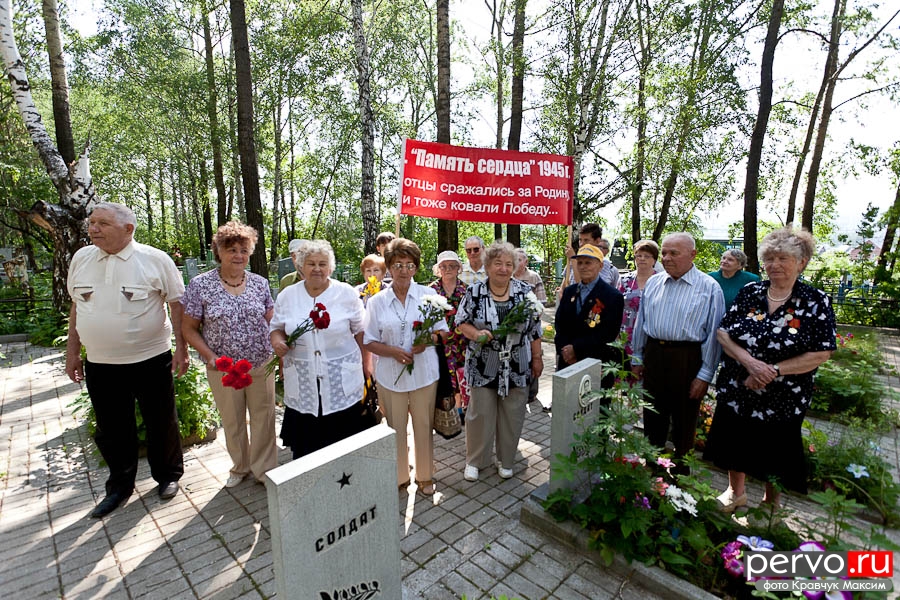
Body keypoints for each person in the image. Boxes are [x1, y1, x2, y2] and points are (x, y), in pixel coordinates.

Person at [65, 203, 186, 518]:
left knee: (161, 421)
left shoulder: (155, 259)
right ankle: (119, 488)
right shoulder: (81, 258)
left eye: (103, 223)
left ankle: (168, 476)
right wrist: (72, 352)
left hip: (150, 359)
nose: (93, 229)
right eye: (92, 222)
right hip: (100, 363)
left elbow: (177, 305)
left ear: (129, 229)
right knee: (112, 428)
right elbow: (76, 307)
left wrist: (182, 349)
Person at [704, 227, 836, 513]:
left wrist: (772, 371)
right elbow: (724, 333)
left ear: (801, 262)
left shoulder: (815, 301)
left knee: (777, 448)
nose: (774, 264)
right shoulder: (750, 292)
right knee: (735, 440)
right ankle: (735, 493)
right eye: (770, 258)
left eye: (783, 258)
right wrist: (751, 364)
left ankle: (770, 504)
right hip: (739, 385)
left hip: (785, 394)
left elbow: (822, 351)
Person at [181, 221, 278, 488]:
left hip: (260, 363)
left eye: (244, 250)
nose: (238, 256)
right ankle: (240, 466)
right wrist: (210, 356)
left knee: (264, 417)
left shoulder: (259, 283)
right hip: (224, 368)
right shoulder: (201, 285)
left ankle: (264, 469)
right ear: (219, 251)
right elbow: (188, 328)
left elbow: (273, 320)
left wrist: (282, 344)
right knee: (233, 419)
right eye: (232, 249)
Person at [630, 232, 725, 473]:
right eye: (664, 253)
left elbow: (714, 335)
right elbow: (642, 322)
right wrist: (637, 357)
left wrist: (705, 375)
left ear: (693, 255)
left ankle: (681, 476)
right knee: (653, 414)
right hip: (654, 355)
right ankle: (652, 469)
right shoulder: (654, 282)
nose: (667, 258)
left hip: (687, 358)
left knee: (684, 420)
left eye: (674, 253)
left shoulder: (709, 288)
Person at [270, 239, 372, 459]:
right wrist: (278, 342)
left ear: (330, 267)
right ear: (301, 267)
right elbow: (276, 328)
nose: (317, 268)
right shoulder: (288, 296)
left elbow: (361, 331)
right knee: (307, 454)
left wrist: (367, 365)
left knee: (344, 451)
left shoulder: (345, 293)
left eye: (322, 264)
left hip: (340, 382)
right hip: (303, 383)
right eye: (311, 263)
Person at [364, 239, 448, 496]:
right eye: (397, 265)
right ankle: (400, 476)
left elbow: (443, 332)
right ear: (389, 267)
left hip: (424, 374)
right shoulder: (377, 302)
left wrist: (427, 340)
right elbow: (369, 341)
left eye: (409, 265)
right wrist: (393, 352)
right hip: (391, 376)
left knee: (423, 426)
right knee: (395, 428)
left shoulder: (428, 297)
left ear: (416, 268)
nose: (403, 270)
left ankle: (425, 476)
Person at [456, 241, 543, 481]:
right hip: (483, 364)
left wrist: (537, 358)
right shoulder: (474, 292)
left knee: (513, 414)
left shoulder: (524, 292)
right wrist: (477, 334)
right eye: (498, 263)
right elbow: (461, 322)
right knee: (480, 414)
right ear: (487, 265)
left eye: (508, 264)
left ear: (514, 267)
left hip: (517, 363)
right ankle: (475, 461)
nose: (503, 269)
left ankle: (506, 459)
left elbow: (535, 329)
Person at [554, 244, 624, 382]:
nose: (583, 267)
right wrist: (565, 352)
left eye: (588, 262)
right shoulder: (569, 292)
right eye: (580, 263)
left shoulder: (612, 296)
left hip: (596, 363)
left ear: (600, 266)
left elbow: (608, 333)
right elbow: (560, 325)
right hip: (567, 363)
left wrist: (576, 349)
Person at [430, 250, 470, 418]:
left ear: (458, 268)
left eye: (452, 266)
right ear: (438, 269)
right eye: (444, 266)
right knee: (444, 376)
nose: (448, 269)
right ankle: (446, 411)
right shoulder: (431, 291)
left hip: (462, 341)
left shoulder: (466, 289)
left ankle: (461, 409)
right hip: (441, 342)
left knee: (461, 374)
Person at [513, 247, 547, 405]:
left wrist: (529, 320)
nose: (517, 262)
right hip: (513, 328)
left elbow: (541, 302)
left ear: (526, 262)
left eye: (520, 259)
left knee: (534, 355)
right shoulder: (508, 277)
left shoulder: (534, 277)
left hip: (531, 326)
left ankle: (532, 392)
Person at [618, 239, 660, 355]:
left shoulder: (661, 281)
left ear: (654, 260)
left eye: (647, 256)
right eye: (639, 255)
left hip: (650, 334)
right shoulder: (624, 279)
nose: (642, 259)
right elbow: (616, 306)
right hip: (625, 333)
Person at [558, 224, 619, 297]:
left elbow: (584, 288)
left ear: (597, 241)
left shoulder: (607, 267)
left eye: (586, 240)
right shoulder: (571, 262)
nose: (581, 244)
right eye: (580, 240)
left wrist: (574, 260)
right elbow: (563, 288)